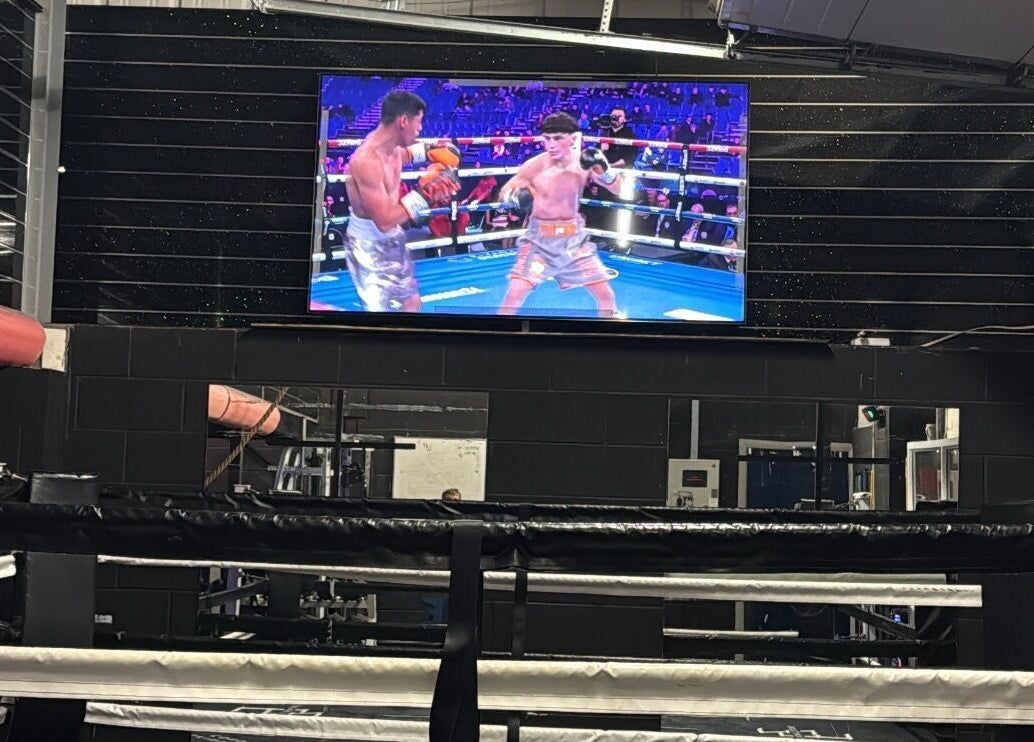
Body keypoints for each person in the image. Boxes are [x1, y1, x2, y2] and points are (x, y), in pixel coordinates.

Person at [496, 112, 628, 317]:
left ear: (573, 138)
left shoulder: (584, 164)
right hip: (539, 241)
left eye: (558, 138)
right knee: (515, 293)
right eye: (547, 139)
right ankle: (496, 341)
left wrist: (604, 168)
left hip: (573, 241)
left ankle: (607, 342)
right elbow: (505, 192)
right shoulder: (534, 165)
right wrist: (516, 198)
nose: (551, 145)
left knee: (606, 295)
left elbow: (619, 190)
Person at [343, 90, 462, 312]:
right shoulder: (366, 161)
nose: (420, 129)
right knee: (379, 315)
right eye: (419, 122)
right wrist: (425, 194)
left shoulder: (393, 147)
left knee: (412, 303)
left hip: (394, 238)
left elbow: (404, 155)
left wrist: (430, 152)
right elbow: (385, 221)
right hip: (368, 245)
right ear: (404, 121)